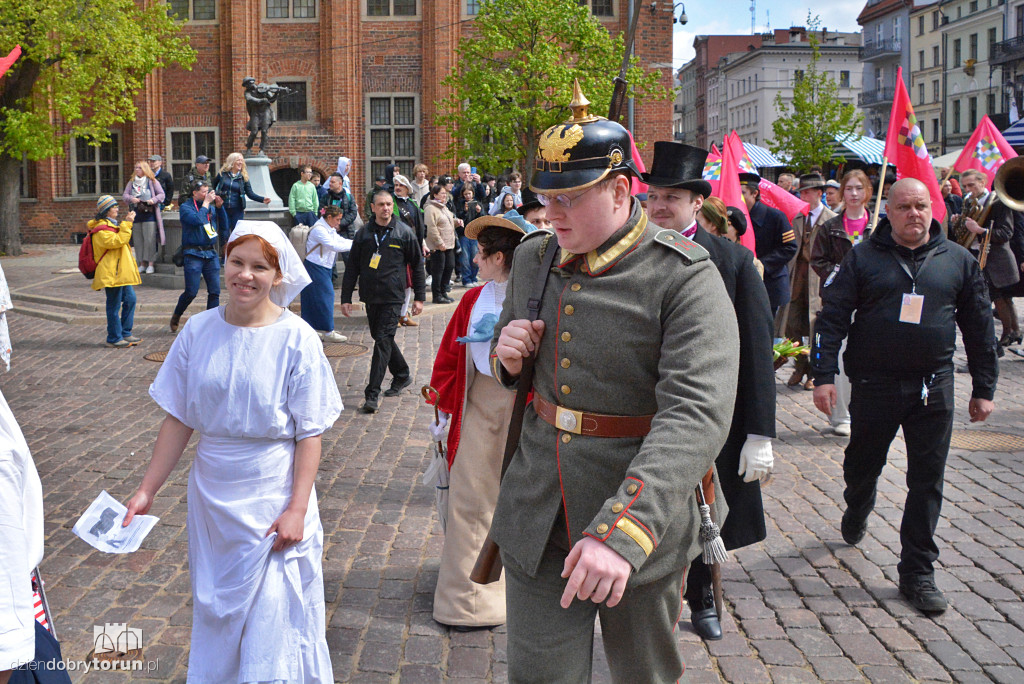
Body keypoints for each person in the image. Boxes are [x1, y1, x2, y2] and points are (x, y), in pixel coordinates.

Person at [490, 82, 738, 682]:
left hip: (636, 514)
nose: (551, 214)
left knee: (642, 674)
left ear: (622, 189)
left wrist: (621, 532)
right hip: (538, 505)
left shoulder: (684, 276)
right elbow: (514, 368)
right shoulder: (534, 256)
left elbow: (695, 416)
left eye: (570, 198)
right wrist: (509, 358)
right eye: (546, 198)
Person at [124, 221, 339, 682]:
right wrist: (146, 491)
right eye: (237, 262)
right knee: (220, 617)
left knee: (274, 620)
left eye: (260, 267)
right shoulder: (198, 331)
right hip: (213, 496)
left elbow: (310, 432)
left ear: (278, 276)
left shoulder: (297, 338)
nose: (246, 275)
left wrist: (297, 508)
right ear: (224, 263)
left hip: (274, 495)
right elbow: (179, 417)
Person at [811, 178, 998, 615]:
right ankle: (858, 503)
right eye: (905, 207)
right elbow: (831, 318)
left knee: (926, 480)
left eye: (921, 205)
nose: (915, 214)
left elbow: (979, 327)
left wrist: (984, 387)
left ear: (931, 207)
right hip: (875, 386)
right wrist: (822, 375)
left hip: (934, 386)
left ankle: (917, 571)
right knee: (862, 465)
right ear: (888, 212)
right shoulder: (862, 258)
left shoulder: (958, 260)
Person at [643, 141, 776, 642]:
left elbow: (758, 349)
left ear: (697, 202)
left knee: (703, 504)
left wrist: (761, 430)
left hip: (709, 409)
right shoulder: (628, 252)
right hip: (642, 405)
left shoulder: (734, 263)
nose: (658, 207)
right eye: (652, 197)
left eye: (671, 197)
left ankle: (701, 595)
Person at [426, 213, 529, 632]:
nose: (474, 261)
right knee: (470, 503)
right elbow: (452, 356)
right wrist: (445, 407)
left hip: (524, 410)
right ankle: (467, 601)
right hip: (479, 406)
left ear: (499, 257)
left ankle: (524, 590)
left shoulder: (530, 299)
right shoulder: (472, 299)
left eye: (481, 255)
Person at [340, 189, 426, 414]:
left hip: (393, 296)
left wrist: (420, 298)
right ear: (373, 207)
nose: (386, 208)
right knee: (381, 337)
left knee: (382, 341)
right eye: (381, 204)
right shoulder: (364, 234)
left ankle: (372, 394)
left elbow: (417, 265)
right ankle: (402, 374)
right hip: (370, 295)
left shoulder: (404, 232)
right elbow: (352, 267)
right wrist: (346, 297)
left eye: (389, 204)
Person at [811, 169, 873, 437]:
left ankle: (868, 410)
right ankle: (841, 415)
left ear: (868, 192)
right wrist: (841, 273)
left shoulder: (878, 226)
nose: (854, 194)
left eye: (859, 188)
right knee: (839, 357)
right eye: (849, 189)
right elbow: (818, 260)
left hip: (871, 302)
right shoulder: (831, 226)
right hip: (840, 300)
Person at [781, 173, 837, 390]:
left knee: (816, 327)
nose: (803, 195)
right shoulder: (796, 218)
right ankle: (800, 366)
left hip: (818, 280)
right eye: (801, 191)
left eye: (807, 192)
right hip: (797, 278)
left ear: (819, 194)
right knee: (792, 326)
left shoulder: (830, 219)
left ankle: (815, 373)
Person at [957, 169, 1021, 353]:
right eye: (965, 186)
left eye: (971, 185)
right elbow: (965, 229)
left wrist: (979, 230)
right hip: (978, 257)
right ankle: (1012, 332)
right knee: (999, 297)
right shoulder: (969, 201)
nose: (968, 189)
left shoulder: (999, 203)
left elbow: (1006, 233)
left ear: (983, 182)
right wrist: (959, 223)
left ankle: (1008, 334)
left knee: (999, 297)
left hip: (997, 260)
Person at [740, 172, 797, 316]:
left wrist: (761, 264)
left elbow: (789, 247)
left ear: (755, 194)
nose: (739, 198)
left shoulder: (775, 216)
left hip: (770, 283)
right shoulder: (736, 217)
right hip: (744, 283)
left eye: (743, 193)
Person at [89, 196, 141, 348]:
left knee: (130, 299)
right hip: (111, 273)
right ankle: (113, 337)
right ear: (106, 210)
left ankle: (125, 332)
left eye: (117, 206)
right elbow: (117, 241)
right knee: (113, 305)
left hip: (120, 272)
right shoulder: (100, 229)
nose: (117, 209)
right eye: (114, 207)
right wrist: (128, 223)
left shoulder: (112, 225)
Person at [170, 181, 220, 333]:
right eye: (204, 192)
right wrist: (206, 204)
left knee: (215, 291)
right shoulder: (186, 208)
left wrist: (219, 207)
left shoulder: (209, 207)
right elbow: (197, 220)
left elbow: (219, 224)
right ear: (194, 193)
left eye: (208, 191)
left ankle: (211, 324)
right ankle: (177, 314)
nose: (207, 194)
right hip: (193, 253)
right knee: (191, 291)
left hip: (210, 253)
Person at [300, 205, 352, 343]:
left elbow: (339, 240)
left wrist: (356, 242)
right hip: (315, 266)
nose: (339, 222)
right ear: (329, 217)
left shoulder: (328, 228)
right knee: (326, 296)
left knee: (314, 298)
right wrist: (356, 245)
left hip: (323, 266)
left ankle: (312, 329)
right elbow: (334, 246)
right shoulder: (319, 230)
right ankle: (328, 331)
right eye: (337, 219)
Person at [392, 175, 427, 326]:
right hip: (398, 249)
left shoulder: (413, 204)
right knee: (398, 283)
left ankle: (403, 315)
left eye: (401, 185)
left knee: (409, 283)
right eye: (396, 185)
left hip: (413, 248)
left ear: (407, 188)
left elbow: (419, 226)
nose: (397, 187)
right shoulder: (391, 203)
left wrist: (422, 244)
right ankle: (394, 315)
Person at [214, 153, 271, 242]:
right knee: (224, 232)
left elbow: (250, 193)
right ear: (232, 162)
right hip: (223, 208)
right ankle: (224, 253)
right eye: (238, 160)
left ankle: (236, 253)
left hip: (237, 209)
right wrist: (216, 198)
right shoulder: (222, 175)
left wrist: (262, 199)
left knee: (237, 233)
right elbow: (212, 187)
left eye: (241, 160)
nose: (240, 162)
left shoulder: (243, 177)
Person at [122, 160, 166, 274]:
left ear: (145, 169)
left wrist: (153, 200)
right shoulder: (132, 182)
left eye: (139, 168)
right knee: (138, 240)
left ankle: (150, 263)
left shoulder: (152, 181)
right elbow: (125, 195)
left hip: (149, 214)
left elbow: (161, 194)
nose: (137, 170)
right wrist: (132, 198)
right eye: (136, 168)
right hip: (137, 213)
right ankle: (142, 263)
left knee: (149, 240)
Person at [424, 184, 458, 304]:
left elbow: (447, 221)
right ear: (435, 194)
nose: (445, 195)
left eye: (445, 193)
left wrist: (456, 222)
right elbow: (431, 227)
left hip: (449, 244)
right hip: (438, 246)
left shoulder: (444, 207)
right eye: (442, 193)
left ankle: (444, 292)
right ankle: (437, 295)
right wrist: (439, 242)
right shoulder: (430, 208)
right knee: (438, 270)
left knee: (449, 267)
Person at [456, 184, 485, 286]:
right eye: (465, 194)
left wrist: (479, 212)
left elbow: (483, 219)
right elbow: (458, 219)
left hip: (475, 234)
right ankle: (466, 279)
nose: (467, 196)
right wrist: (464, 211)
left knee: (475, 256)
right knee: (465, 258)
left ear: (473, 193)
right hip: (464, 234)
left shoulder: (478, 203)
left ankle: (473, 277)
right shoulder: (460, 204)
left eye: (469, 193)